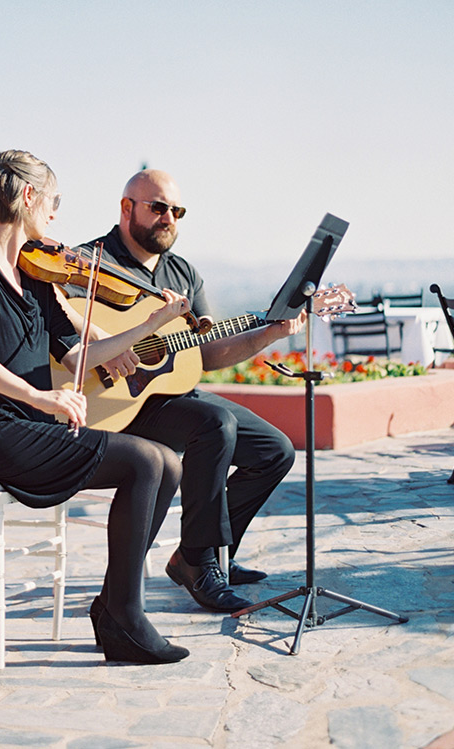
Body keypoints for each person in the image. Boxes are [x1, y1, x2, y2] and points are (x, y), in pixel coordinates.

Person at [0, 150, 194, 664]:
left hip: (31, 428)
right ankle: (122, 615)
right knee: (144, 460)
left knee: (167, 461)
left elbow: (81, 354)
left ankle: (115, 604)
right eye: (53, 201)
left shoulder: (37, 277)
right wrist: (38, 396)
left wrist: (150, 324)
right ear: (29, 198)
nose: (56, 215)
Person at [73, 169, 304, 614]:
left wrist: (270, 335)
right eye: (158, 208)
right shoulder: (92, 261)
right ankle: (199, 563)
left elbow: (209, 353)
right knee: (213, 424)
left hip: (168, 396)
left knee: (276, 450)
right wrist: (104, 342)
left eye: (176, 211)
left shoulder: (183, 273)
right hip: (116, 401)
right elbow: (56, 312)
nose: (169, 219)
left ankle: (211, 553)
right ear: (126, 208)